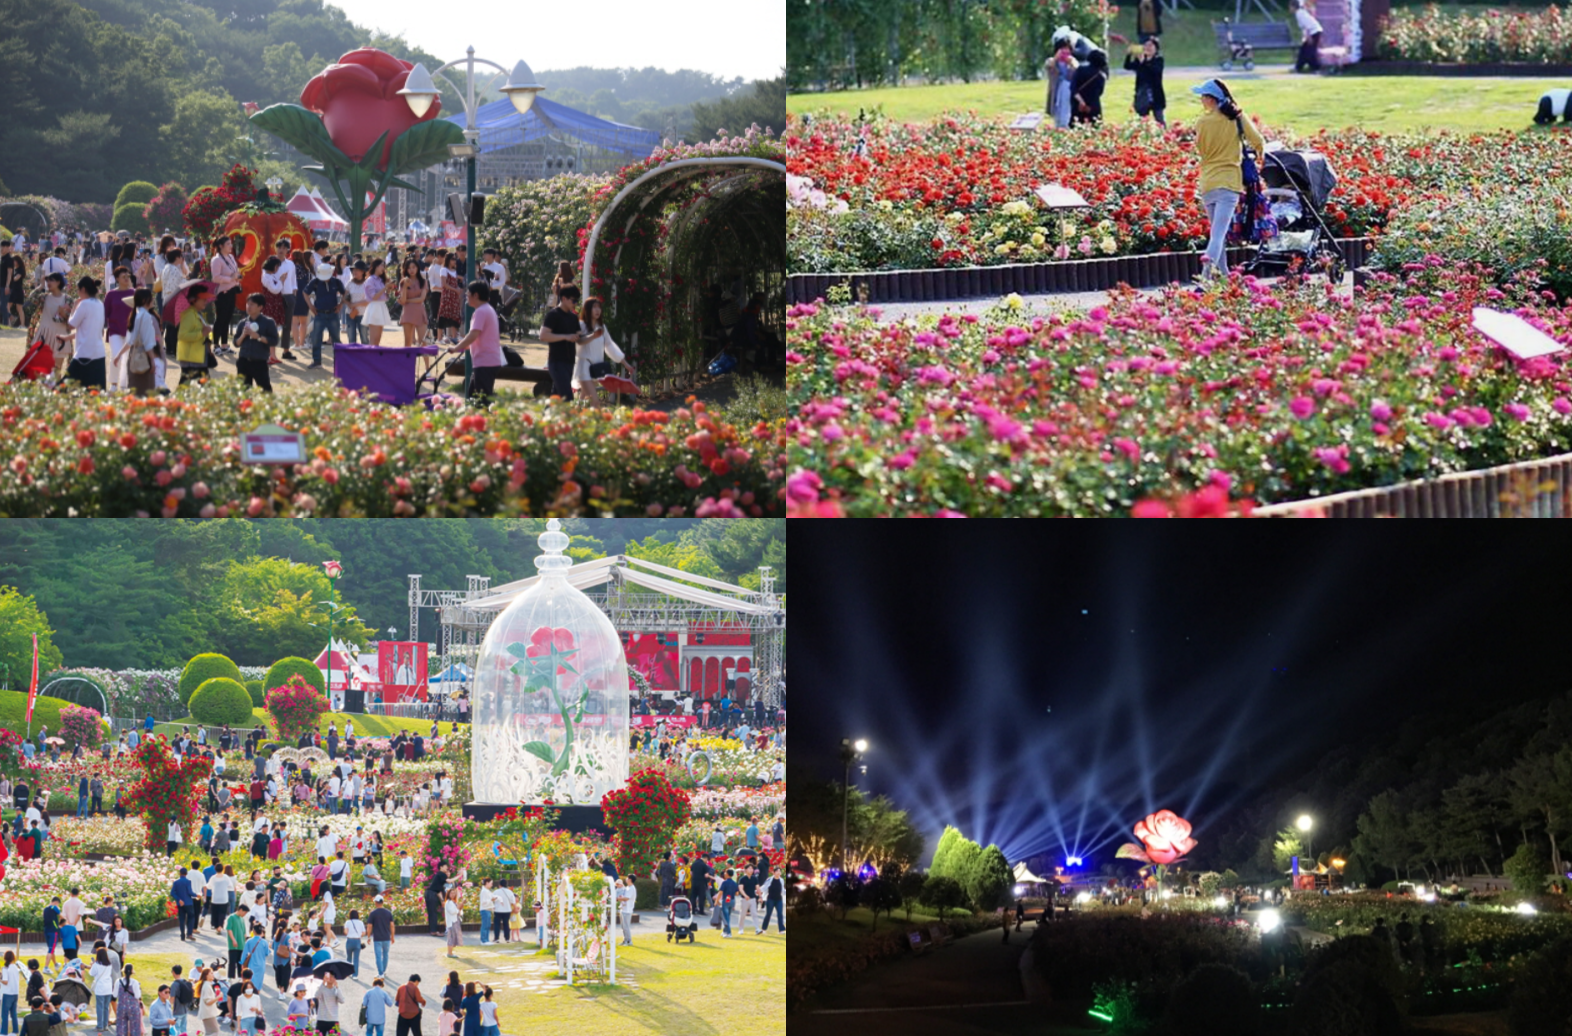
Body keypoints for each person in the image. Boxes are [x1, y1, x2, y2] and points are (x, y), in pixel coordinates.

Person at [1191, 79, 1265, 281]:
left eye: (1203, 96)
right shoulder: (1237, 118)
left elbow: (1200, 149)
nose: (1201, 100)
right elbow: (1258, 141)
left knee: (1218, 234)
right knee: (1218, 235)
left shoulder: (1201, 122)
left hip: (1208, 182)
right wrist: (1259, 156)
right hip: (1229, 182)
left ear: (1211, 99)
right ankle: (1205, 278)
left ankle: (1222, 278)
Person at [447, 281, 504, 400]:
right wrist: (464, 345)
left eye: (468, 294)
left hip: (485, 362)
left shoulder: (481, 311)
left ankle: (485, 418)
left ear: (476, 295)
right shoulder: (488, 309)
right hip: (488, 361)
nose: (466, 296)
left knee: (480, 401)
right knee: (474, 397)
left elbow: (473, 335)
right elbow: (481, 338)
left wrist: (456, 348)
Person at [538, 283, 583, 400]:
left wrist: (594, 335)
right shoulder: (553, 315)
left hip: (569, 362)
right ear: (564, 298)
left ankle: (545, 417)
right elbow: (543, 336)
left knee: (556, 397)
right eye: (573, 301)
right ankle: (571, 418)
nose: (575, 304)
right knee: (567, 398)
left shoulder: (573, 317)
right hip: (557, 362)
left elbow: (579, 338)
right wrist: (565, 336)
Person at [61, 276, 108, 389]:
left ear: (83, 289)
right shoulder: (99, 304)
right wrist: (67, 338)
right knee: (95, 393)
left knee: (63, 388)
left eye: (78, 290)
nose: (77, 293)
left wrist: (73, 308)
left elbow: (71, 325)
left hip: (84, 355)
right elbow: (92, 331)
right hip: (99, 354)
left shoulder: (84, 304)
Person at [103, 267, 137, 392]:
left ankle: (124, 385)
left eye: (128, 276)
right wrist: (101, 327)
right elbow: (105, 313)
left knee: (127, 357)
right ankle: (113, 383)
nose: (126, 278)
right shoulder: (111, 294)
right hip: (115, 329)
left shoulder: (134, 293)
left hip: (130, 330)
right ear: (117, 279)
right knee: (116, 354)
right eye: (123, 276)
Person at [304, 262, 343, 369]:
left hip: (333, 313)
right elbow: (305, 293)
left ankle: (339, 361)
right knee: (316, 338)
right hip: (319, 313)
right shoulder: (315, 282)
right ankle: (317, 361)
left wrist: (340, 305)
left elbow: (345, 293)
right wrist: (310, 306)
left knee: (336, 338)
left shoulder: (336, 282)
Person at [174, 285, 212, 387]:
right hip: (191, 359)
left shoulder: (197, 313)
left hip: (197, 357)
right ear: (194, 300)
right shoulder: (189, 314)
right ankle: (175, 402)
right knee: (189, 385)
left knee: (201, 385)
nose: (206, 301)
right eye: (203, 299)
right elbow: (182, 336)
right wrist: (202, 333)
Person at [208, 236, 241, 355]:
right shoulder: (216, 259)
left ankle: (224, 344)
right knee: (220, 319)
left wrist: (236, 276)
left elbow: (234, 271)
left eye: (230, 244)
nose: (230, 246)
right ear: (221, 246)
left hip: (232, 290)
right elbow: (215, 278)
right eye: (228, 244)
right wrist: (230, 278)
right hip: (222, 293)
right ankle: (216, 345)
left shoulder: (231, 257)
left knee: (227, 318)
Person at [259, 255, 295, 361]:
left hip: (273, 304)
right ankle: (269, 355)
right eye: (277, 266)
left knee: (272, 330)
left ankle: (272, 355)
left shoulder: (269, 275)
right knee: (270, 331)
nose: (278, 269)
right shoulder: (266, 276)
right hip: (270, 305)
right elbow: (275, 290)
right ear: (274, 266)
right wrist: (281, 281)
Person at [1124, 38, 1167, 127]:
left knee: (1159, 120)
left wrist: (1143, 62)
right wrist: (1129, 55)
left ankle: (1166, 136)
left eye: (1151, 45)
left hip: (1155, 94)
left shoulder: (1158, 60)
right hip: (1142, 94)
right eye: (1146, 45)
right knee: (1142, 121)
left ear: (1156, 48)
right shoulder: (1140, 59)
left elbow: (1154, 72)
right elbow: (1127, 66)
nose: (1148, 48)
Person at [1071, 50, 1109, 125]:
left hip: (1078, 106)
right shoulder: (1101, 76)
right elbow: (1100, 92)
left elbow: (1073, 88)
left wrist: (1081, 102)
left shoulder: (1080, 70)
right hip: (1093, 106)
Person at [397, 260, 428, 347]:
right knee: (407, 342)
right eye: (409, 268)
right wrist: (405, 287)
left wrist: (408, 301)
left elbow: (421, 299)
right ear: (406, 270)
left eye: (413, 267)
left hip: (419, 311)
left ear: (417, 268)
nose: (411, 270)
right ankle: (407, 360)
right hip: (407, 312)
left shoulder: (423, 281)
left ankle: (427, 361)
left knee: (423, 341)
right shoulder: (403, 282)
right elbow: (402, 300)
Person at [362, 259, 390, 346]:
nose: (383, 268)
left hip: (381, 306)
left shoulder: (381, 279)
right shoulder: (370, 280)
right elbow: (374, 297)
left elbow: (384, 296)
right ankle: (370, 358)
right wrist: (385, 287)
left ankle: (374, 358)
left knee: (377, 339)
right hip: (374, 308)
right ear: (376, 266)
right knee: (373, 339)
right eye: (382, 265)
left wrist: (388, 288)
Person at [1293, 0, 1323, 73]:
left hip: (1314, 31)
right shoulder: (1299, 12)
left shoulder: (1300, 13)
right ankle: (1298, 67)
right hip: (1312, 32)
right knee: (1304, 50)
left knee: (1310, 51)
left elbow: (1307, 25)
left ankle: (1316, 68)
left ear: (1293, 7)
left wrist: (1308, 37)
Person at [617, 877, 637, 946]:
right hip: (623, 908)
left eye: (627, 878)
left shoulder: (632, 888)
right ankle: (625, 940)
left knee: (626, 926)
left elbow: (626, 898)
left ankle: (629, 941)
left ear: (630, 880)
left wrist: (617, 899)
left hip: (627, 910)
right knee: (623, 926)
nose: (626, 879)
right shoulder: (627, 887)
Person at [443, 891, 462, 956]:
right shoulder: (448, 903)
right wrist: (458, 908)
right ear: (448, 894)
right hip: (451, 922)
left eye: (454, 893)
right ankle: (449, 953)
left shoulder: (453, 902)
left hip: (455, 921)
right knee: (451, 938)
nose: (453, 895)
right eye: (451, 893)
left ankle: (450, 952)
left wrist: (459, 908)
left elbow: (458, 911)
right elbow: (452, 911)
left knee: (453, 938)